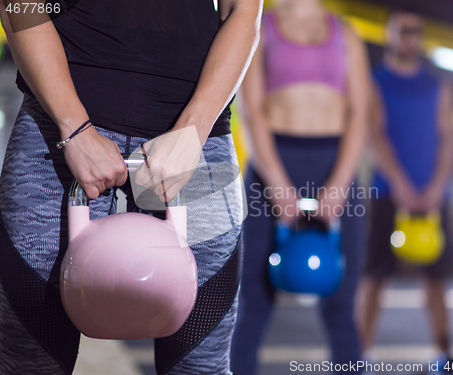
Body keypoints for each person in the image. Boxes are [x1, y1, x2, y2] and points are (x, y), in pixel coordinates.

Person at [0, 0, 261, 374]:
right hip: (59, 135)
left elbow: (243, 12)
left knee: (201, 367)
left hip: (194, 144)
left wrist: (193, 130)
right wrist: (73, 127)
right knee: (28, 365)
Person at [230, 0, 371, 373]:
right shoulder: (260, 25)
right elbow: (251, 110)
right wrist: (276, 183)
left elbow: (360, 112)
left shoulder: (347, 34)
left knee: (342, 301)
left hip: (334, 164)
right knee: (253, 300)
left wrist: (340, 183)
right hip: (273, 164)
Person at [357, 8, 453, 374]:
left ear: (421, 37)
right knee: (375, 275)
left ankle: (446, 357)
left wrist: (435, 186)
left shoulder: (437, 87)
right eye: (402, 30)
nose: (408, 37)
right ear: (390, 34)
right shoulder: (375, 81)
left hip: (433, 197)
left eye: (415, 31)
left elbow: (447, 138)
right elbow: (375, 135)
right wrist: (399, 183)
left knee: (436, 280)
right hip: (388, 192)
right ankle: (358, 357)